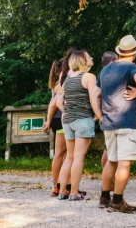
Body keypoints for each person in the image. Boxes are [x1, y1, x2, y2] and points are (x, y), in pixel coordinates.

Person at [98, 35, 136, 213]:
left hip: (109, 121)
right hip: (126, 122)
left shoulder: (105, 70)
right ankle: (117, 200)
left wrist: (100, 114)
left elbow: (96, 93)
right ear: (134, 53)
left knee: (111, 160)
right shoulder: (131, 67)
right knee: (124, 163)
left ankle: (104, 197)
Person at [57, 49, 103, 201]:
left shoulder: (67, 79)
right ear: (83, 60)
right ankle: (74, 192)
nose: (91, 57)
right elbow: (94, 98)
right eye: (88, 56)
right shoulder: (89, 77)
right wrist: (99, 116)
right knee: (78, 158)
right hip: (82, 120)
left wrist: (69, 112)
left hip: (67, 121)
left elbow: (59, 102)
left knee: (69, 157)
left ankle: (62, 191)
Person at [42, 58, 67, 197]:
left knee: (63, 154)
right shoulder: (61, 83)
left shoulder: (58, 81)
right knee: (61, 153)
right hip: (60, 118)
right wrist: (49, 120)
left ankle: (61, 185)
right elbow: (54, 103)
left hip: (57, 119)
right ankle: (58, 186)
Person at [99, 50, 119, 169]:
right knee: (110, 150)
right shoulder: (111, 74)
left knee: (108, 147)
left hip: (104, 113)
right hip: (111, 114)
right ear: (113, 61)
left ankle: (105, 172)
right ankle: (108, 173)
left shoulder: (102, 75)